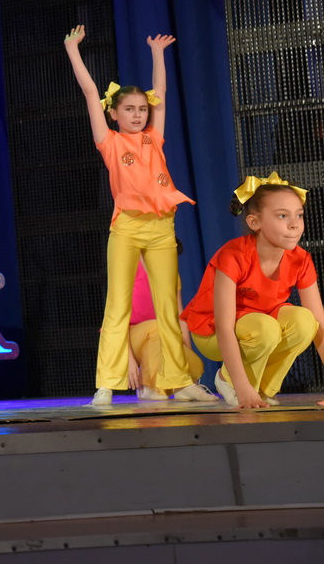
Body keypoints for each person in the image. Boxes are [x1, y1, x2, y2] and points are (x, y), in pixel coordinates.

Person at [64, 25, 216, 406]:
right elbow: (89, 91)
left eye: (142, 109)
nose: (137, 114)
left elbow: (160, 92)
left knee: (168, 307)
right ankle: (105, 383)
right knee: (117, 304)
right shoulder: (110, 142)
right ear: (114, 113)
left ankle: (179, 380)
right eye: (129, 109)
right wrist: (73, 50)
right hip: (127, 227)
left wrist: (157, 54)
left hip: (163, 226)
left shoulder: (153, 138)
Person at [181, 174, 324, 408]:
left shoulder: (301, 259)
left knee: (305, 322)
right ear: (254, 222)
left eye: (299, 215)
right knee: (265, 329)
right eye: (282, 215)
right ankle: (228, 379)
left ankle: (262, 389)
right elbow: (224, 326)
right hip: (212, 330)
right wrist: (240, 386)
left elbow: (320, 324)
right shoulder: (233, 256)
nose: (294, 224)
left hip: (261, 322)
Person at [127, 257, 205, 400]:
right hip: (134, 336)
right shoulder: (127, 267)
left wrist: (186, 355)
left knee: (195, 365)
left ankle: (180, 385)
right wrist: (129, 359)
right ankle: (149, 385)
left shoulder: (169, 269)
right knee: (158, 327)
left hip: (164, 335)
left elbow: (179, 315)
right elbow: (117, 320)